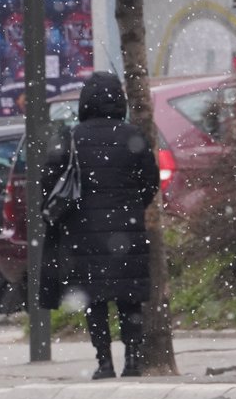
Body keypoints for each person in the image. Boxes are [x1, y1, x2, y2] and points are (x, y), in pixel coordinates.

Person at [46, 71, 160, 380]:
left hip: (84, 235)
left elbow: (52, 185)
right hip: (128, 229)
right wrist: (133, 207)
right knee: (129, 299)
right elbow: (150, 181)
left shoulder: (72, 138)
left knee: (94, 301)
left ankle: (104, 362)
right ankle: (133, 360)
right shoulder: (132, 135)